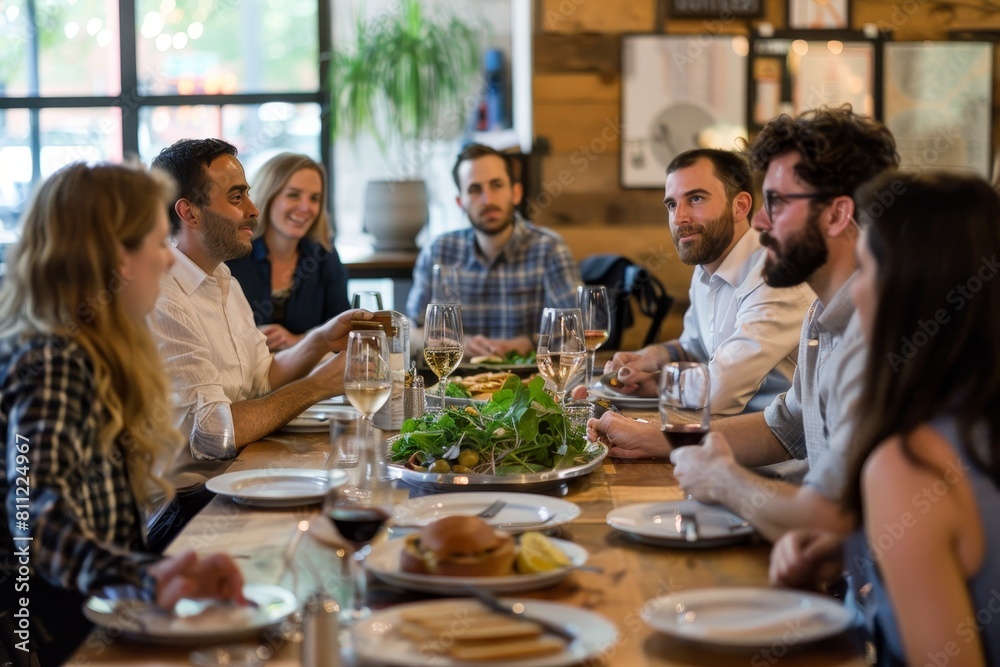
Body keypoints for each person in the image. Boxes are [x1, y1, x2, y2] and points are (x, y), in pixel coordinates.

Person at [589, 106, 899, 541]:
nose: (759, 222)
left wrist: (724, 481)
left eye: (776, 202)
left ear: (836, 214)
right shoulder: (820, 315)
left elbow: (836, 518)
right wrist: (657, 437)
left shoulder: (880, 335)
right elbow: (783, 426)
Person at [0, 163, 246, 666]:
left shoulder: (83, 345)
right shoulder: (54, 362)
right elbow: (36, 516)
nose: (167, 258)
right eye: (159, 243)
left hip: (94, 612)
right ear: (119, 257)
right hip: (56, 637)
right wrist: (147, 576)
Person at [770, 171, 1000, 666]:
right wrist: (859, 551)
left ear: (907, 288)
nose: (858, 292)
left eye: (867, 268)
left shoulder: (911, 464)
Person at [148, 139, 368, 505]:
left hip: (241, 478)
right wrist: (317, 386)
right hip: (185, 506)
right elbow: (212, 434)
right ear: (189, 212)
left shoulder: (223, 280)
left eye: (248, 195)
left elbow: (262, 378)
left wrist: (319, 341)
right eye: (237, 198)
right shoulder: (162, 296)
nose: (253, 209)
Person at [600, 148, 814, 415]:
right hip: (718, 435)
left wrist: (659, 383)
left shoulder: (776, 274)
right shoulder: (705, 268)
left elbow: (719, 391)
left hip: (777, 449)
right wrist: (652, 356)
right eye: (672, 204)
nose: (680, 218)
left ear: (740, 206)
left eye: (696, 199)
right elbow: (694, 346)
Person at [406, 143, 580, 357]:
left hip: (526, 383)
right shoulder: (439, 250)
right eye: (475, 189)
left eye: (496, 185)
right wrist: (454, 342)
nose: (487, 200)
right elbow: (410, 333)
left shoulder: (549, 249)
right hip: (456, 384)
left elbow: (576, 332)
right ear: (460, 202)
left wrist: (529, 343)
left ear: (516, 192)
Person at [226, 153, 351, 352]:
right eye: (293, 195)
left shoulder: (323, 256)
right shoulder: (232, 255)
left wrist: (298, 341)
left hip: (307, 377)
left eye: (314, 198)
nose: (305, 207)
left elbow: (345, 335)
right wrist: (251, 338)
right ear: (268, 196)